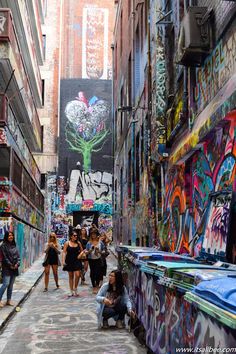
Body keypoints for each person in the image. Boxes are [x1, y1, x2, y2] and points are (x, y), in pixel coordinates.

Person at [0, 231, 20, 307]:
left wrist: (17, 264)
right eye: (9, 235)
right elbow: (4, 257)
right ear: (6, 237)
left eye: (12, 235)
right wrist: (10, 265)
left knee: (10, 285)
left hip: (14, 268)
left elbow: (18, 257)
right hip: (7, 268)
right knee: (5, 284)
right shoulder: (3, 246)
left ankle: (9, 300)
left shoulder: (14, 245)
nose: (11, 237)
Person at [62, 232, 83, 296]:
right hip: (69, 261)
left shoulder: (78, 243)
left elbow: (82, 250)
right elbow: (64, 252)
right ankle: (71, 291)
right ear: (71, 236)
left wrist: (81, 254)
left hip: (77, 260)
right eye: (74, 235)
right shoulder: (67, 243)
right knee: (71, 276)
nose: (75, 237)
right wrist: (63, 261)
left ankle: (75, 288)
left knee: (77, 275)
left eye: (76, 235)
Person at [85, 228, 105, 294]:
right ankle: (94, 286)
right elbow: (86, 252)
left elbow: (104, 251)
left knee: (98, 273)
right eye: (92, 234)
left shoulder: (100, 242)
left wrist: (98, 251)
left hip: (98, 259)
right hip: (91, 259)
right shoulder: (89, 243)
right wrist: (90, 250)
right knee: (92, 272)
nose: (93, 235)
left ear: (97, 235)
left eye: (94, 234)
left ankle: (97, 285)